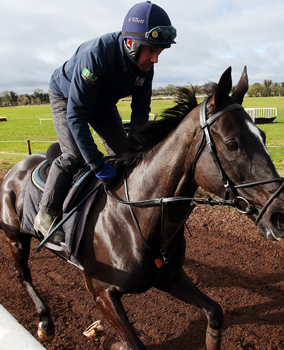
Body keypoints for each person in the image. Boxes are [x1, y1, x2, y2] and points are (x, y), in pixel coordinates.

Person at [35, 1, 176, 242]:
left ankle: (121, 211)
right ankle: (45, 214)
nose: (155, 60)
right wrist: (98, 165)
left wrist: (136, 147)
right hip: (67, 97)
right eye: (151, 51)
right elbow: (77, 115)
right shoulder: (95, 56)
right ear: (131, 43)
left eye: (159, 52)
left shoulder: (145, 67)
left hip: (102, 104)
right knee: (74, 156)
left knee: (125, 155)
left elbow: (140, 111)